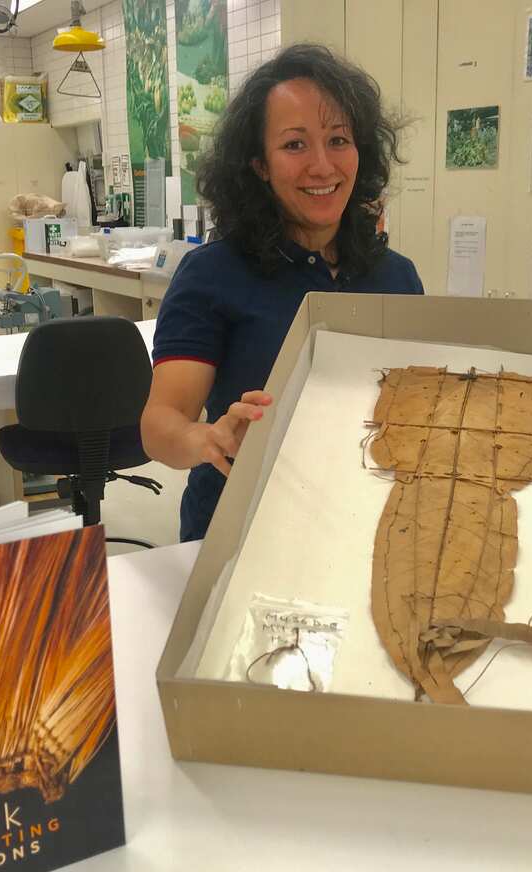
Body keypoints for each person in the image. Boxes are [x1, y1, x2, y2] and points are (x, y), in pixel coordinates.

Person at [142, 43, 424, 542]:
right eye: (295, 145)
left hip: (362, 524)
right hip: (240, 528)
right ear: (259, 165)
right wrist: (204, 438)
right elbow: (160, 421)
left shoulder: (397, 278)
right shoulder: (212, 274)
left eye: (339, 140)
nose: (322, 165)